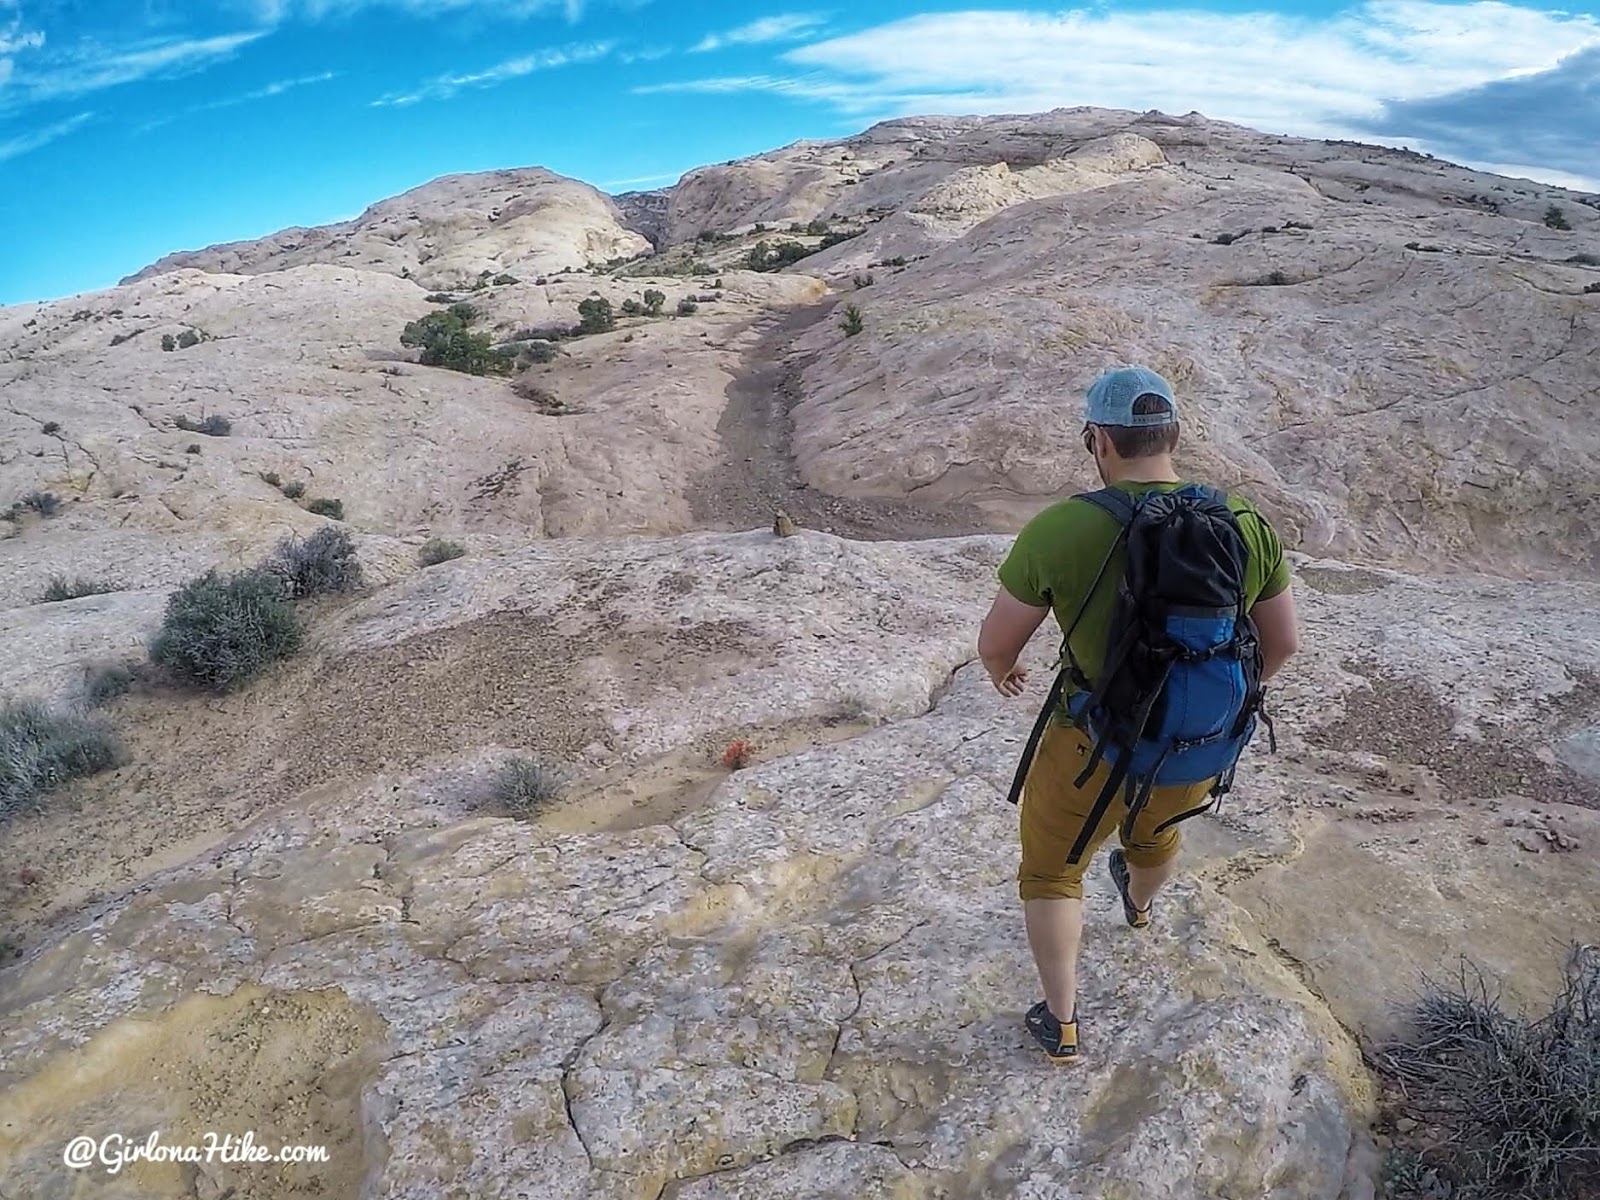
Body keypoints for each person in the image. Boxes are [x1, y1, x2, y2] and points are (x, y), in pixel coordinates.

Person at [976, 365, 1302, 1063]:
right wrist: (1221, 702)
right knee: (1155, 838)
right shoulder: (1244, 523)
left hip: (1089, 739)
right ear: (1175, 435)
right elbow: (1283, 644)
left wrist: (1004, 672)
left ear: (1099, 442)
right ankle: (1141, 902)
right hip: (1194, 740)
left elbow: (999, 643)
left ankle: (1061, 1022)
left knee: (1054, 873)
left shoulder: (1063, 527)